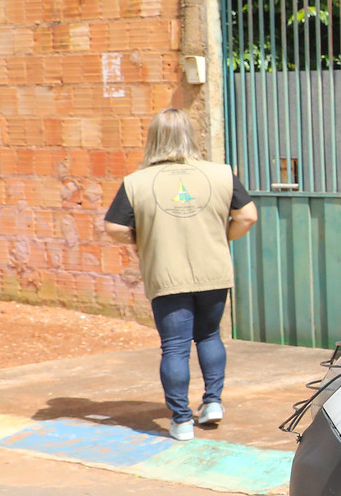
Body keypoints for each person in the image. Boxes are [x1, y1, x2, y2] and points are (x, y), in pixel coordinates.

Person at [102, 108, 257, 440]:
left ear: (154, 139)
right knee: (210, 336)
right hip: (213, 271)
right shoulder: (221, 174)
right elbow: (247, 216)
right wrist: (222, 236)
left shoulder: (136, 182)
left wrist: (140, 238)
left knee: (174, 347)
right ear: (191, 135)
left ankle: (182, 420)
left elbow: (114, 226)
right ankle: (213, 402)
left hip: (166, 274)